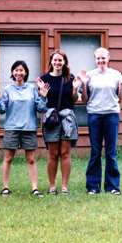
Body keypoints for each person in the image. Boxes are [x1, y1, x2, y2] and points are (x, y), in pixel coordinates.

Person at [0, 60, 49, 197]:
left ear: (25, 72)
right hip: (12, 128)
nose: (18, 73)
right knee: (8, 158)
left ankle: (35, 188)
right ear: (12, 72)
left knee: (31, 159)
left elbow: (40, 108)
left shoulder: (31, 89)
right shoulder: (8, 90)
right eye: (16, 70)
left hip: (29, 128)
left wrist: (43, 96)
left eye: (21, 70)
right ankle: (5, 188)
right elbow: (1, 110)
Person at [79, 47, 122, 196]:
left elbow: (120, 100)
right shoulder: (89, 75)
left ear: (108, 58)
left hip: (112, 116)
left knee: (111, 151)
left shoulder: (116, 75)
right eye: (98, 58)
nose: (101, 61)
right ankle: (93, 186)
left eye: (103, 58)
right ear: (95, 59)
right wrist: (84, 84)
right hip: (94, 116)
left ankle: (112, 186)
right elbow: (85, 101)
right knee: (95, 151)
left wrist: (120, 84)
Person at [40, 50, 80, 195]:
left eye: (60, 60)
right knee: (53, 154)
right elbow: (40, 103)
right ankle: (52, 186)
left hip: (67, 118)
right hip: (52, 119)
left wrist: (75, 89)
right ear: (50, 62)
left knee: (65, 153)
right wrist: (41, 94)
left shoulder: (70, 78)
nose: (57, 63)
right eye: (55, 60)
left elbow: (74, 100)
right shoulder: (43, 79)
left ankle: (64, 186)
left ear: (64, 62)